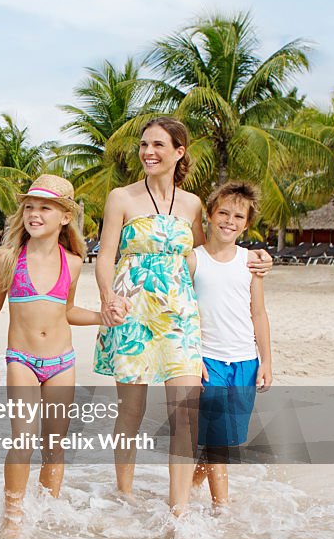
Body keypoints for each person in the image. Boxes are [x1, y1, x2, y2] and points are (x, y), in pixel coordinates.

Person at [92, 117, 272, 517]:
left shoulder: (192, 204)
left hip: (181, 318)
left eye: (158, 144)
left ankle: (179, 512)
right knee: (132, 412)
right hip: (132, 312)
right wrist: (107, 298)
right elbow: (105, 256)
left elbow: (215, 255)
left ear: (179, 152)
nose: (148, 152)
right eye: (143, 145)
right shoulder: (121, 197)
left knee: (185, 415)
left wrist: (260, 258)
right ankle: (124, 495)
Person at [0, 174, 108, 539]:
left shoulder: (74, 262)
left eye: (45, 207)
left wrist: (100, 317)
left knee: (55, 444)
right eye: (29, 206)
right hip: (22, 360)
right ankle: (13, 517)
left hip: (62, 361)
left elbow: (69, 310)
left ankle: (47, 509)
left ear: (64, 217)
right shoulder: (9, 258)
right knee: (23, 438)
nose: (34, 213)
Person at [188, 181, 273, 507]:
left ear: (247, 223)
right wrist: (193, 360)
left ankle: (191, 489)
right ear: (209, 215)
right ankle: (221, 509)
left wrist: (266, 361)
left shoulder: (250, 262)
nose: (229, 221)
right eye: (223, 212)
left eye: (238, 216)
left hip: (245, 362)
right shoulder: (194, 261)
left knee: (224, 441)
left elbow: (259, 313)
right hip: (208, 361)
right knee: (219, 441)